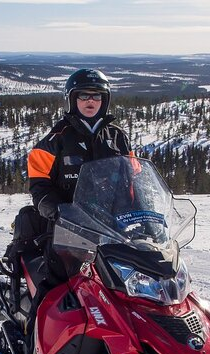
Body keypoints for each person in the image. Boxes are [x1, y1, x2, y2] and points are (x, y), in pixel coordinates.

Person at [24, 68, 132, 337]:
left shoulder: (117, 137)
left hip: (113, 227)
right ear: (72, 100)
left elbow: (133, 180)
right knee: (57, 286)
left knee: (133, 284)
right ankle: (35, 337)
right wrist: (55, 209)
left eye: (96, 96)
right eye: (83, 96)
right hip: (69, 227)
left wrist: (146, 213)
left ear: (104, 100)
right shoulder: (55, 139)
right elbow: (39, 184)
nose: (90, 101)